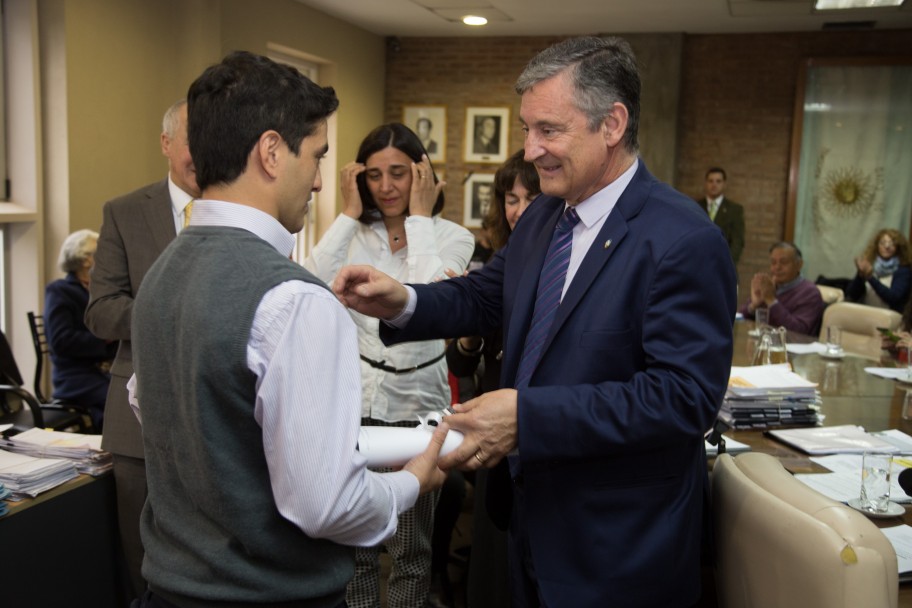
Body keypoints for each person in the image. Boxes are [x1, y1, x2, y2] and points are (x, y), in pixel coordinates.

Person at [333, 36, 736, 607]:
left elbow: (682, 397)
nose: (530, 150)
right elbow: (487, 296)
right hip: (527, 525)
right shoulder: (547, 213)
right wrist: (404, 300)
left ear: (612, 123)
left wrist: (529, 417)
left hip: (616, 548)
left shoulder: (684, 239)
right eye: (527, 129)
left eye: (548, 130)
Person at [130, 51, 448, 608]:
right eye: (316, 156)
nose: (322, 182)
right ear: (271, 152)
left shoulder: (162, 271)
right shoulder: (293, 299)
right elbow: (326, 505)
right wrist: (413, 482)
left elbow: (162, 413)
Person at [304, 122, 474, 608]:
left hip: (417, 413)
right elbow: (308, 290)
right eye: (374, 175)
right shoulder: (351, 235)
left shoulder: (452, 236)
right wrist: (345, 216)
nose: (385, 186)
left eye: (398, 173)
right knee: (354, 546)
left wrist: (419, 219)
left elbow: (430, 302)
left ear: (422, 173)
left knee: (411, 549)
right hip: (354, 408)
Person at [85, 99, 200, 600]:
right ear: (166, 143)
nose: (203, 152)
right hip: (137, 425)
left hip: (217, 418)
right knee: (143, 564)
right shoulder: (125, 212)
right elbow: (102, 311)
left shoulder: (244, 213)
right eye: (192, 139)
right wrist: (179, 317)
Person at [444, 149, 541, 608]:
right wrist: (468, 333)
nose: (518, 210)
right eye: (510, 198)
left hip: (535, 436)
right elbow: (462, 366)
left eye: (529, 197)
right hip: (493, 439)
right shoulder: (500, 263)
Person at [44, 229, 117, 430]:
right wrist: (105, 339)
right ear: (86, 260)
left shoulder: (102, 290)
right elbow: (61, 340)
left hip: (104, 370)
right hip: (75, 376)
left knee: (138, 393)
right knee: (119, 401)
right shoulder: (60, 291)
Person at [739, 241, 825, 335]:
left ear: (799, 265)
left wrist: (771, 301)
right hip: (763, 344)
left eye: (783, 262)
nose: (777, 267)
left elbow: (798, 331)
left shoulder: (810, 293)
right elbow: (738, 321)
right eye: (773, 262)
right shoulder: (770, 286)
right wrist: (753, 305)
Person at [845, 228, 912, 313]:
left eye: (892, 243)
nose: (887, 246)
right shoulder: (869, 264)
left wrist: (870, 277)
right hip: (866, 314)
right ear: (877, 246)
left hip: (890, 318)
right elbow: (851, 295)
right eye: (882, 243)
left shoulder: (903, 270)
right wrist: (860, 275)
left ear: (898, 247)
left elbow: (894, 297)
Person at [696, 167, 745, 264]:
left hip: (723, 265)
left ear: (724, 184)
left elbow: (737, 242)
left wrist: (726, 263)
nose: (714, 185)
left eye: (718, 181)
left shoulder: (735, 210)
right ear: (706, 183)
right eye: (711, 181)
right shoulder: (695, 207)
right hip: (697, 263)